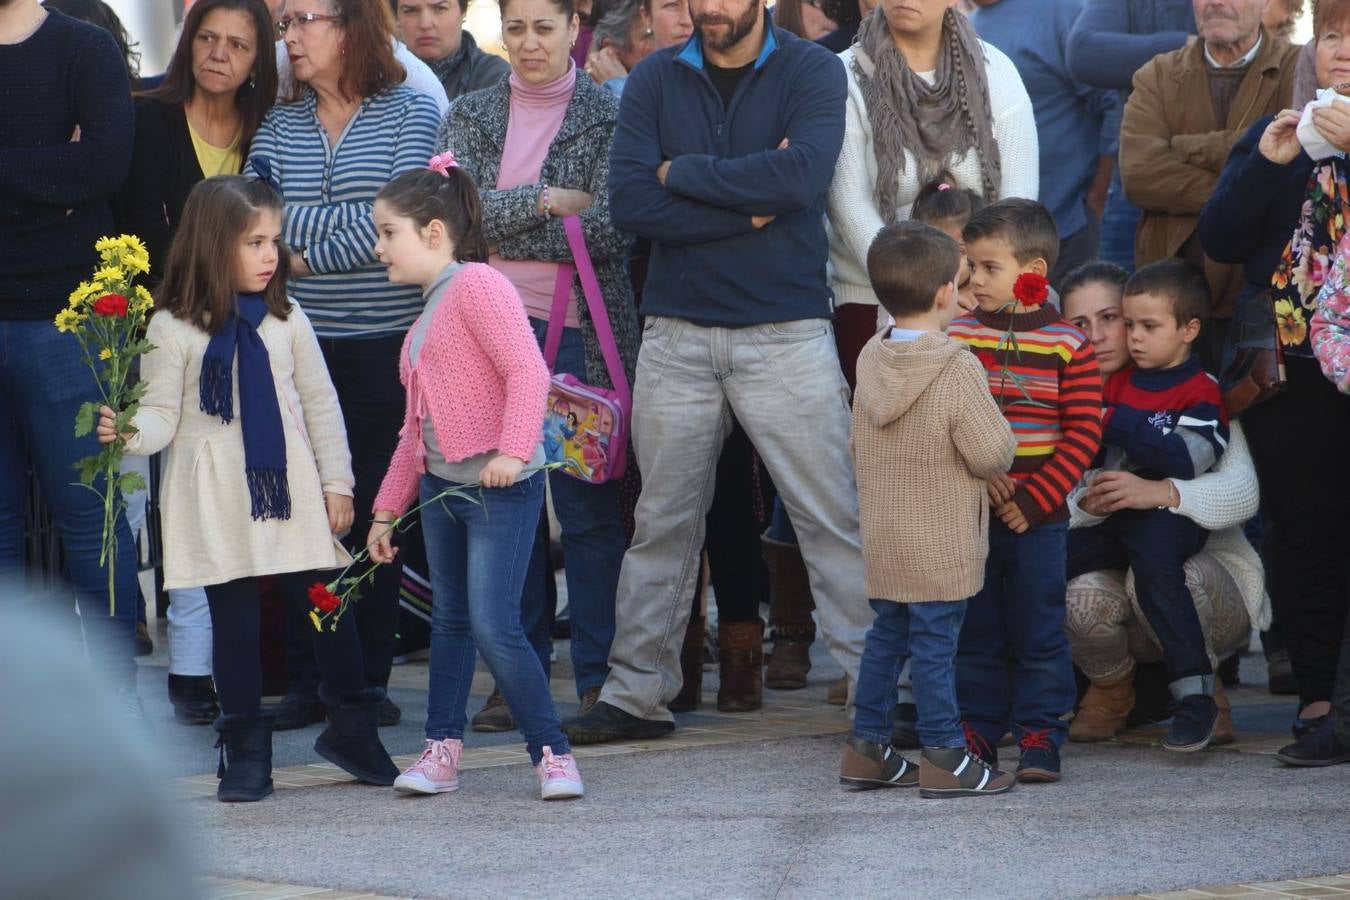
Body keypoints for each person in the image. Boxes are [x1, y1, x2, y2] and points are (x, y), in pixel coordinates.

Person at [562, 0, 874, 744]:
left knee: (830, 519)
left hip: (787, 332)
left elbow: (800, 181)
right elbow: (634, 203)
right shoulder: (654, 79)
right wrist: (746, 206)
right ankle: (637, 696)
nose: (708, 6)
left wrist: (686, 174)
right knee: (661, 523)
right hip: (677, 332)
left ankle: (882, 688)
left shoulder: (811, 69)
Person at [97, 175, 399, 802]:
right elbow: (160, 418)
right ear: (212, 245)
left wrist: (338, 482)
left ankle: (351, 725)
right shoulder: (171, 327)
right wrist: (124, 430)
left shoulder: (287, 316)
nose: (271, 255)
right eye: (255, 242)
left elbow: (320, 405)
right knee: (232, 624)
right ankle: (245, 747)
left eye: (275, 241)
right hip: (216, 496)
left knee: (326, 606)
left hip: (288, 491)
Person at [438, 0, 638, 728]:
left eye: (542, 28)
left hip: (580, 330)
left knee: (586, 509)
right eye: (515, 28)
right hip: (491, 328)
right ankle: (513, 673)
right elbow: (455, 219)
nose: (527, 43)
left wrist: (507, 221)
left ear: (572, 28)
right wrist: (551, 202)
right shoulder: (470, 110)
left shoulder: (609, 111)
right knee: (507, 499)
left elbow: (612, 228)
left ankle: (598, 674)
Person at [246, 0, 442, 730]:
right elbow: (259, 222)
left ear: (352, 23)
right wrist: (315, 236)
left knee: (374, 514)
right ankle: (307, 682)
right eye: (285, 23)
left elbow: (387, 223)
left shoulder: (413, 113)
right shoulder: (278, 124)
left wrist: (303, 250)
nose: (289, 37)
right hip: (297, 347)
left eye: (305, 20)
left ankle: (364, 680)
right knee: (304, 514)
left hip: (384, 348)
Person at [368, 160, 585, 801]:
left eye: (388, 232)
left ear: (433, 232)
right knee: (451, 623)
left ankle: (553, 753)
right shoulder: (431, 307)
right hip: (443, 490)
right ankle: (441, 752)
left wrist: (514, 452)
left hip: (495, 489)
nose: (378, 247)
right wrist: (386, 513)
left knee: (494, 626)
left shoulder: (478, 286)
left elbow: (526, 370)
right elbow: (415, 433)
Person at [112, 0, 280, 725]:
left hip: (248, 337)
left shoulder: (268, 130)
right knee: (160, 495)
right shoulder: (148, 114)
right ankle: (183, 666)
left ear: (256, 59)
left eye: (237, 44)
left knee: (229, 498)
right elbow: (134, 225)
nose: (218, 54)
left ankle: (229, 660)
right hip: (162, 330)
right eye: (206, 38)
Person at [1196, 0, 1350, 757]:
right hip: (1288, 363)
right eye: (1332, 36)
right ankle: (1320, 695)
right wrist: (1266, 164)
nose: (1343, 51)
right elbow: (1220, 240)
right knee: (1302, 529)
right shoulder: (1279, 135)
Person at [839, 220, 1018, 798]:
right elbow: (992, 451)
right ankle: (945, 755)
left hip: (886, 536)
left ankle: (867, 748)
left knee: (886, 640)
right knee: (937, 650)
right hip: (941, 541)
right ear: (946, 293)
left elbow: (855, 438)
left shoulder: (871, 356)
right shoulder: (955, 365)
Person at [0, 0, 141, 715]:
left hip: (65, 321)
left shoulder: (84, 49)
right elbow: (74, 168)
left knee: (91, 517)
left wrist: (72, 172)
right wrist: (49, 175)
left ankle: (119, 712)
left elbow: (105, 164)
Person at [1059, 260, 1267, 746]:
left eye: (1115, 319)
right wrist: (1089, 501)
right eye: (1080, 325)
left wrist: (1157, 484)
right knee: (1049, 563)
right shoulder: (1098, 388)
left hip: (1180, 546)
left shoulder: (1199, 390)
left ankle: (1200, 694)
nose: (1115, 336)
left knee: (1155, 571)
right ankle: (1096, 690)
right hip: (1114, 527)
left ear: (1187, 329)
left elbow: (1204, 468)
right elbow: (1068, 479)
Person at [948, 198, 1103, 783]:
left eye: (989, 267)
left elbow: (1085, 431)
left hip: (1040, 517)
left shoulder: (1068, 344)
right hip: (973, 511)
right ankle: (979, 729)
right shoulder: (957, 337)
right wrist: (982, 473)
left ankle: (1040, 730)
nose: (974, 280)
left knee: (1039, 624)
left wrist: (1038, 501)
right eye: (970, 265)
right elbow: (949, 416)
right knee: (976, 624)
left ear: (1033, 269)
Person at [827, 0, 1038, 388]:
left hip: (982, 294)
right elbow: (849, 205)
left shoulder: (996, 70)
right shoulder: (842, 75)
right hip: (878, 298)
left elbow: (1018, 200)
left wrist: (975, 280)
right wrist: (926, 288)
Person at [1119, 0, 1299, 370]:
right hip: (1173, 306)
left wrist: (1185, 147)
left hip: (1265, 303)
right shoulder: (1157, 74)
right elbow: (1139, 175)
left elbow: (1296, 173)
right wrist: (1250, 178)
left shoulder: (1298, 68)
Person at [970, 0, 1122, 284]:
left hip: (1067, 226)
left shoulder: (1062, 11)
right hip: (993, 236)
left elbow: (1112, 105)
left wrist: (1098, 196)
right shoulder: (968, 26)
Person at [1064, 0, 1196, 272]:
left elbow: (1243, 45)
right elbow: (1084, 52)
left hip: (1215, 177)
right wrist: (1188, 46)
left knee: (1211, 307)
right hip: (1136, 184)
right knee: (1118, 304)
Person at [392, 0, 509, 101]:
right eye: (411, 11)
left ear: (463, 11)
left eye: (440, 8)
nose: (425, 24)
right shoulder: (381, 79)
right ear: (396, 17)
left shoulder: (495, 78)